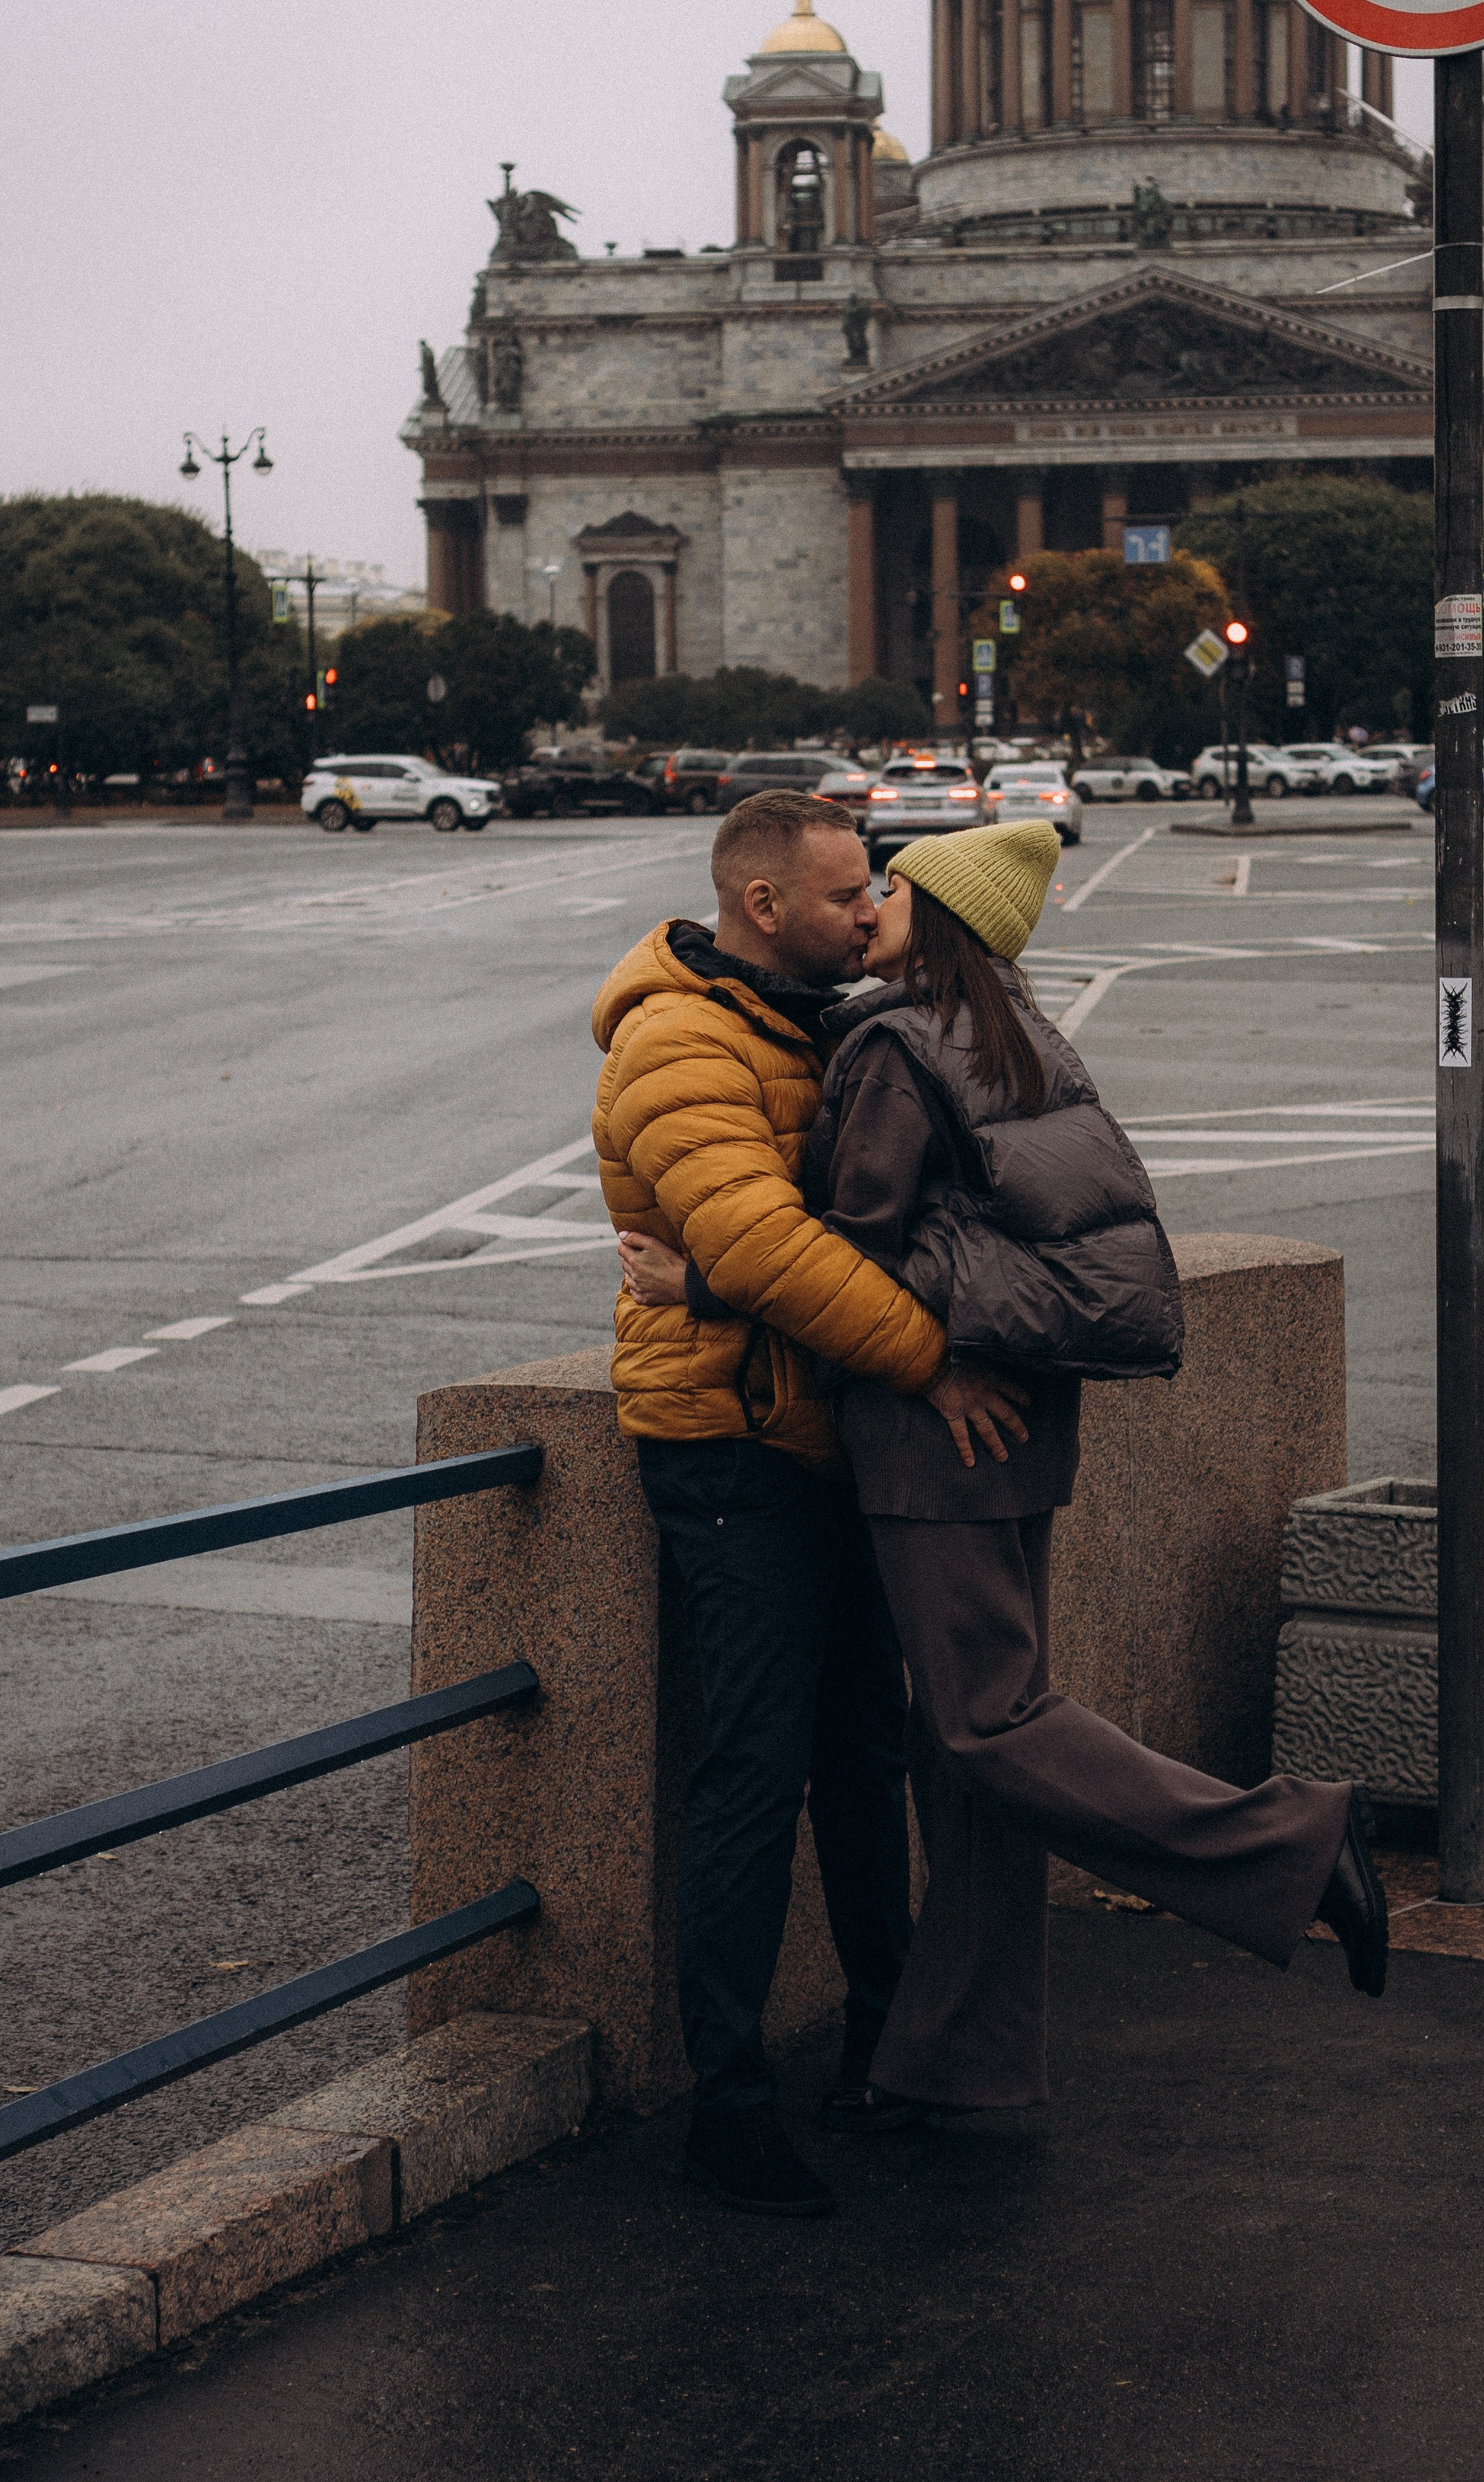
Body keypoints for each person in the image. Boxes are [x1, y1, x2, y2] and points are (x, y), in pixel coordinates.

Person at [618, 816, 1388, 2138]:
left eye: (893, 890)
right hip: (1029, 1420)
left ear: (945, 919)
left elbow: (847, 1255)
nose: (873, 907)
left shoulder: (890, 1047)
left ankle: (1294, 1846)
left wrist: (703, 1283)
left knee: (985, 1725)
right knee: (956, 1752)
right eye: (860, 888)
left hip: (940, 1436)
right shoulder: (1016, 1031)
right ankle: (958, 2058)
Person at [591, 790, 1026, 2219]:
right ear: (764, 905)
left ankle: (883, 2053)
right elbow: (772, 1248)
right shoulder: (679, 1041)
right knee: (756, 1770)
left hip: (821, 1430)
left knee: (862, 1756)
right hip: (731, 1449)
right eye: (849, 895)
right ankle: (727, 2110)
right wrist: (933, 1366)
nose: (871, 913)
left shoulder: (808, 1022)